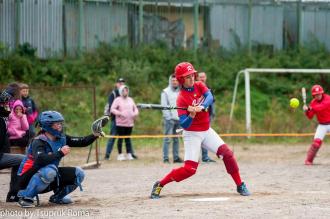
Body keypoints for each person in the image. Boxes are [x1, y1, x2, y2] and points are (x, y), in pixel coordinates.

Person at [150, 62, 251, 199]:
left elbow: (210, 97)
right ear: (181, 79)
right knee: (190, 170)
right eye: (187, 77)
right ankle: (160, 184)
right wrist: (191, 115)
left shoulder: (199, 85)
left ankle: (240, 184)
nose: (191, 78)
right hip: (192, 134)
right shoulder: (181, 99)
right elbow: (184, 125)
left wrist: (202, 106)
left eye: (192, 75)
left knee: (227, 154)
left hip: (206, 130)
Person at [15, 111, 101, 208]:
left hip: (49, 174)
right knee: (50, 171)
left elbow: (82, 142)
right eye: (57, 124)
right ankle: (26, 197)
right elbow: (40, 160)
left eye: (61, 123)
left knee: (79, 173)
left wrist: (95, 135)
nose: (60, 126)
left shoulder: (61, 138)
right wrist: (60, 153)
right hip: (27, 178)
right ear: (47, 125)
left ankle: (57, 197)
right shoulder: (38, 141)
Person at [0, 89, 25, 202]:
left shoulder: (4, 117)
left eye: (8, 103)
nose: (8, 106)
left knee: (21, 159)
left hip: (1, 154)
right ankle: (14, 194)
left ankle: (13, 194)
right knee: (22, 159)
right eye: (5, 104)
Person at [104, 78, 137, 160]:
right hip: (116, 119)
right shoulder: (114, 94)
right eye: (120, 83)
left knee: (127, 137)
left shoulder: (128, 97)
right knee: (113, 137)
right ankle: (107, 154)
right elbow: (111, 106)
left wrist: (131, 114)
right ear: (116, 84)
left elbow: (133, 107)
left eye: (123, 82)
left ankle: (131, 153)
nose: (121, 84)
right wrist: (120, 113)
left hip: (128, 121)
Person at [303, 85, 330, 165]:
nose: (318, 96)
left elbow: (322, 107)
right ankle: (309, 161)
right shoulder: (313, 103)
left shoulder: (328, 98)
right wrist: (306, 111)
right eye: (316, 95)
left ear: (322, 93)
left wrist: (310, 108)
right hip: (322, 125)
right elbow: (310, 116)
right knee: (316, 143)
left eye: (319, 94)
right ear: (313, 95)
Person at [161, 74, 183, 163]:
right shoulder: (165, 92)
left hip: (179, 119)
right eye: (173, 80)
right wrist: (169, 118)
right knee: (167, 139)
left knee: (176, 139)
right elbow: (164, 106)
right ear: (170, 81)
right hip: (169, 120)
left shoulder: (181, 91)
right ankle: (166, 158)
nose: (174, 82)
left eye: (176, 81)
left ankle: (176, 157)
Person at [197, 72, 216, 163]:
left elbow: (212, 103)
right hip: (196, 117)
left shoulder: (209, 89)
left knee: (205, 138)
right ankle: (194, 157)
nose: (202, 78)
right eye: (200, 77)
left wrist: (213, 114)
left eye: (203, 77)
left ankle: (205, 157)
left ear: (206, 77)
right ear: (198, 78)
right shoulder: (195, 88)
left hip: (207, 117)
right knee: (196, 137)